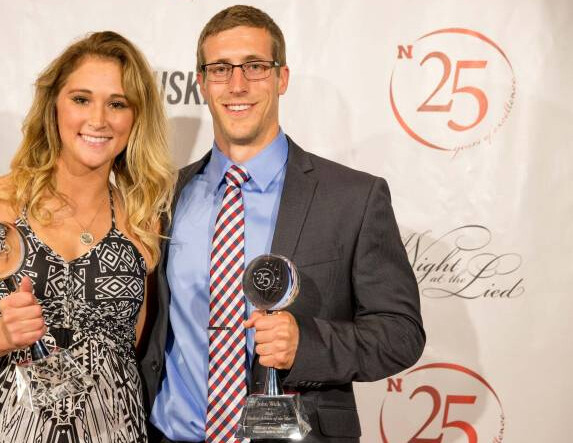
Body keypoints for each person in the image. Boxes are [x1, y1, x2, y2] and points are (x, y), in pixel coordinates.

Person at [140, 5, 425, 443]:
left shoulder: (352, 198)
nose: (238, 84)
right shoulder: (164, 197)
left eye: (255, 66)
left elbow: (401, 333)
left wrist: (306, 344)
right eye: (220, 69)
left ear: (282, 78)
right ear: (201, 82)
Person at [0, 31, 174, 442]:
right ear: (53, 105)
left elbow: (132, 352)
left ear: (136, 117)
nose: (98, 119)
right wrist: (0, 334)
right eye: (81, 99)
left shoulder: (143, 221)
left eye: (117, 104)